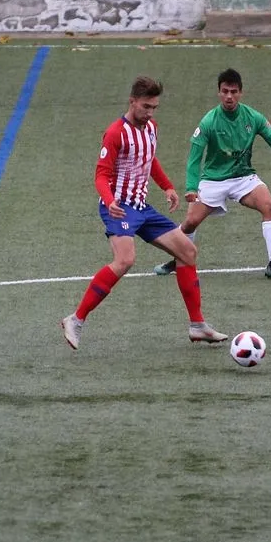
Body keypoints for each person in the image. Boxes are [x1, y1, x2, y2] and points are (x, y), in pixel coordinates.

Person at [60, 76, 228, 350]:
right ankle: (75, 320)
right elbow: (101, 175)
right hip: (119, 208)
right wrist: (109, 200)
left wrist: (167, 186)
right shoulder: (115, 133)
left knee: (187, 251)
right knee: (125, 260)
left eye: (154, 108)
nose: (150, 112)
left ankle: (198, 325)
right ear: (132, 102)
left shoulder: (151, 128)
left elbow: (149, 159)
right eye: (145, 107)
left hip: (142, 208)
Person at [152, 68, 271, 283]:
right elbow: (194, 158)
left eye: (234, 92)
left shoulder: (253, 117)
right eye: (225, 91)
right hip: (213, 180)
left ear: (240, 93)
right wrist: (191, 187)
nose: (229, 96)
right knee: (190, 222)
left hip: (243, 178)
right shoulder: (209, 121)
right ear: (219, 93)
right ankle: (178, 259)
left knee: (269, 206)